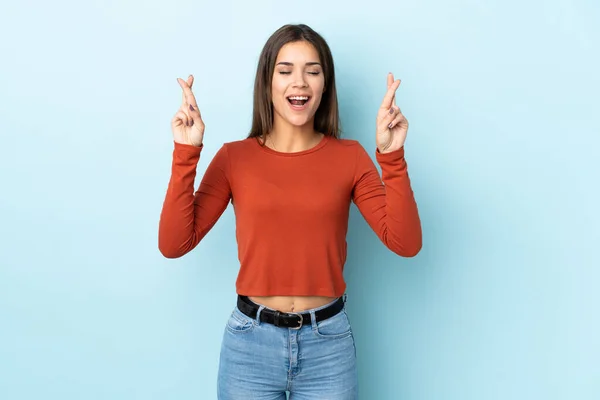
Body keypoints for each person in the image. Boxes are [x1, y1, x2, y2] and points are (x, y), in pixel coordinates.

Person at [158, 23, 422, 400]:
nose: (299, 82)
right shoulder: (235, 158)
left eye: (312, 71)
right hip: (249, 346)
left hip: (328, 346)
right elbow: (174, 243)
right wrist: (186, 154)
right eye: (285, 71)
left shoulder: (350, 157)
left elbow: (405, 242)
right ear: (267, 82)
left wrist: (392, 157)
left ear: (324, 85)